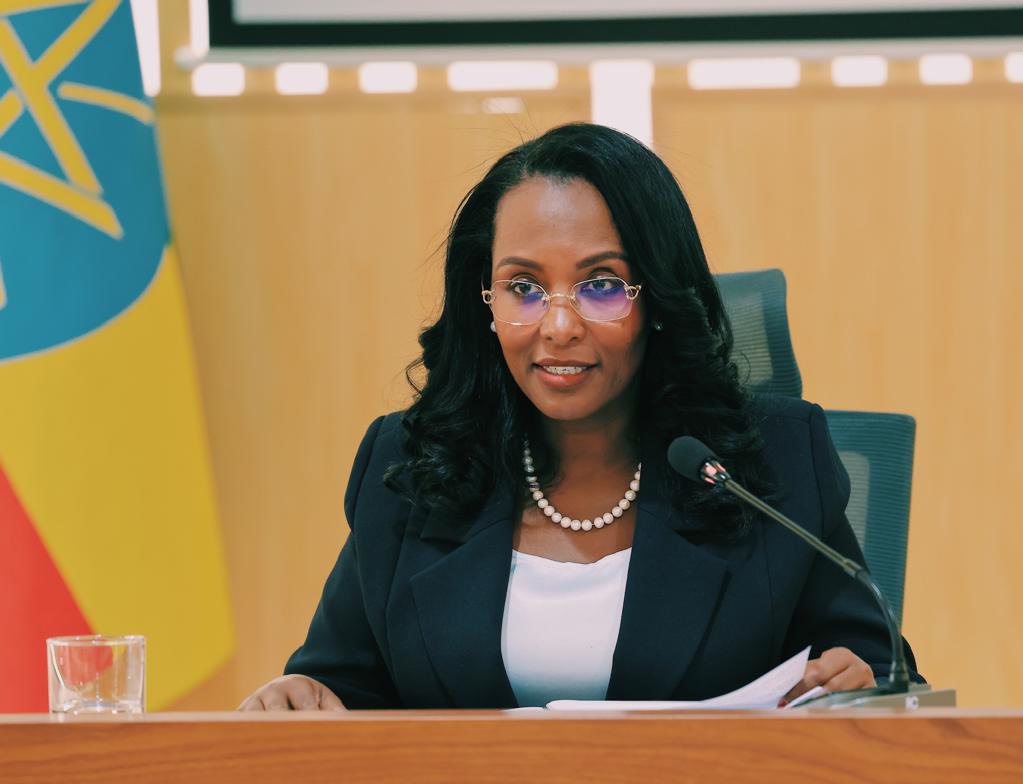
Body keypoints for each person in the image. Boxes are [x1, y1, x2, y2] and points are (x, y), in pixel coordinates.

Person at [239, 122, 921, 711]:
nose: (558, 326)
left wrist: (863, 686)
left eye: (600, 285)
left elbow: (889, 682)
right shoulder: (411, 465)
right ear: (484, 301)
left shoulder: (770, 464)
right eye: (524, 287)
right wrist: (297, 693)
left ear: (657, 299)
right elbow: (339, 686)